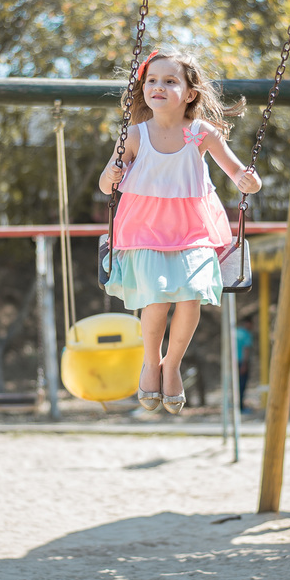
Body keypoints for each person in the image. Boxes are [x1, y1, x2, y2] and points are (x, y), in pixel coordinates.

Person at [99, 49, 262, 414]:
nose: (158, 87)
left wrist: (248, 181)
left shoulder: (200, 133)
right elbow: (107, 182)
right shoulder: (135, 135)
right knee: (157, 298)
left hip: (193, 228)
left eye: (170, 81)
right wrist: (110, 175)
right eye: (151, 81)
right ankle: (151, 361)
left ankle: (171, 365)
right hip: (144, 228)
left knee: (190, 298)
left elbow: (235, 171)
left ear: (189, 93)